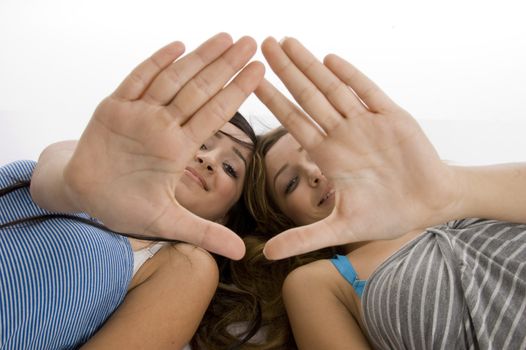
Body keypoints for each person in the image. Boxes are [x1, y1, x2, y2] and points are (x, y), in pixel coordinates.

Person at [246, 36, 526, 349]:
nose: (314, 173)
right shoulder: (321, 282)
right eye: (290, 183)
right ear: (285, 218)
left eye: (319, 155)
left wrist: (450, 191)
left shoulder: (465, 194)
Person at [0, 32, 266, 349]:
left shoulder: (184, 264)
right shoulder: (79, 159)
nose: (208, 159)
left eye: (230, 168)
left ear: (226, 217)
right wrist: (74, 189)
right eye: (202, 142)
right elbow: (51, 185)